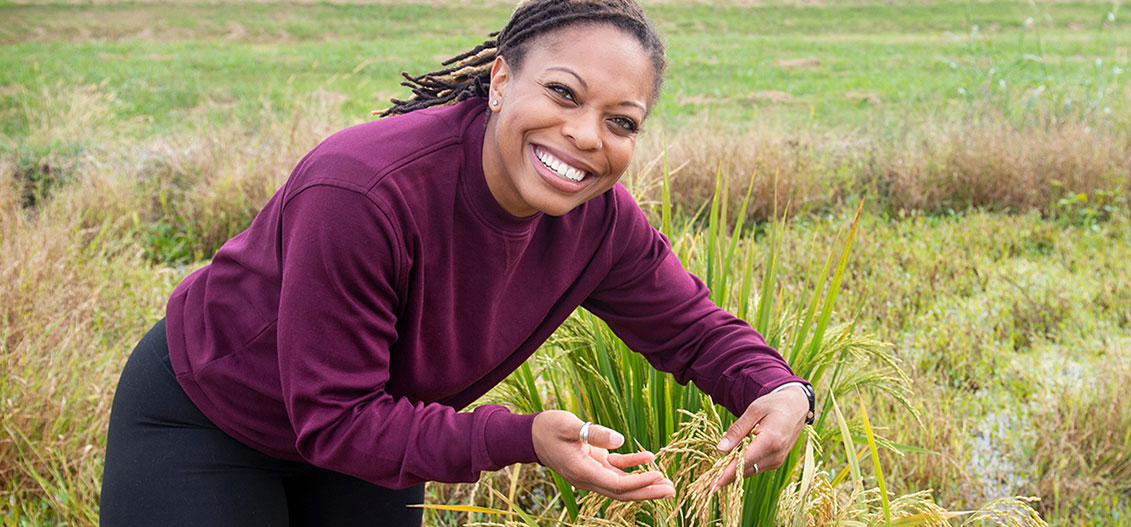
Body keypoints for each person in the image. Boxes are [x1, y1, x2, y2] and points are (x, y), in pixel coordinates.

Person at [99, 1, 814, 525]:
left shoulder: (597, 222)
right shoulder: (363, 191)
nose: (584, 136)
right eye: (562, 93)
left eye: (620, 121)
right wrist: (521, 437)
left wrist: (780, 388)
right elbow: (332, 418)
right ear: (501, 81)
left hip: (377, 431)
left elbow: (689, 328)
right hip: (211, 415)